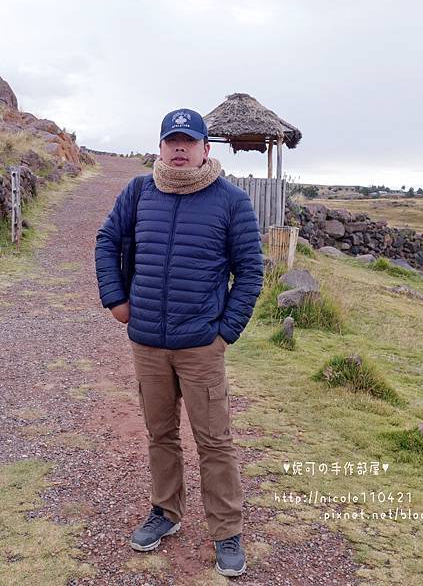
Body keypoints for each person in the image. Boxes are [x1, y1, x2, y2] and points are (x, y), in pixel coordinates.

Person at [94, 108, 264, 577]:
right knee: (160, 434)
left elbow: (250, 270)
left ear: (206, 149)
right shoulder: (138, 191)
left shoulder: (231, 200)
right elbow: (108, 240)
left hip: (200, 344)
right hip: (147, 342)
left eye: (190, 141)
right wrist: (116, 299)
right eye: (173, 140)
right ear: (162, 146)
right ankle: (165, 513)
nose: (181, 148)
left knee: (215, 442)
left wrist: (225, 331)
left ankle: (227, 532)